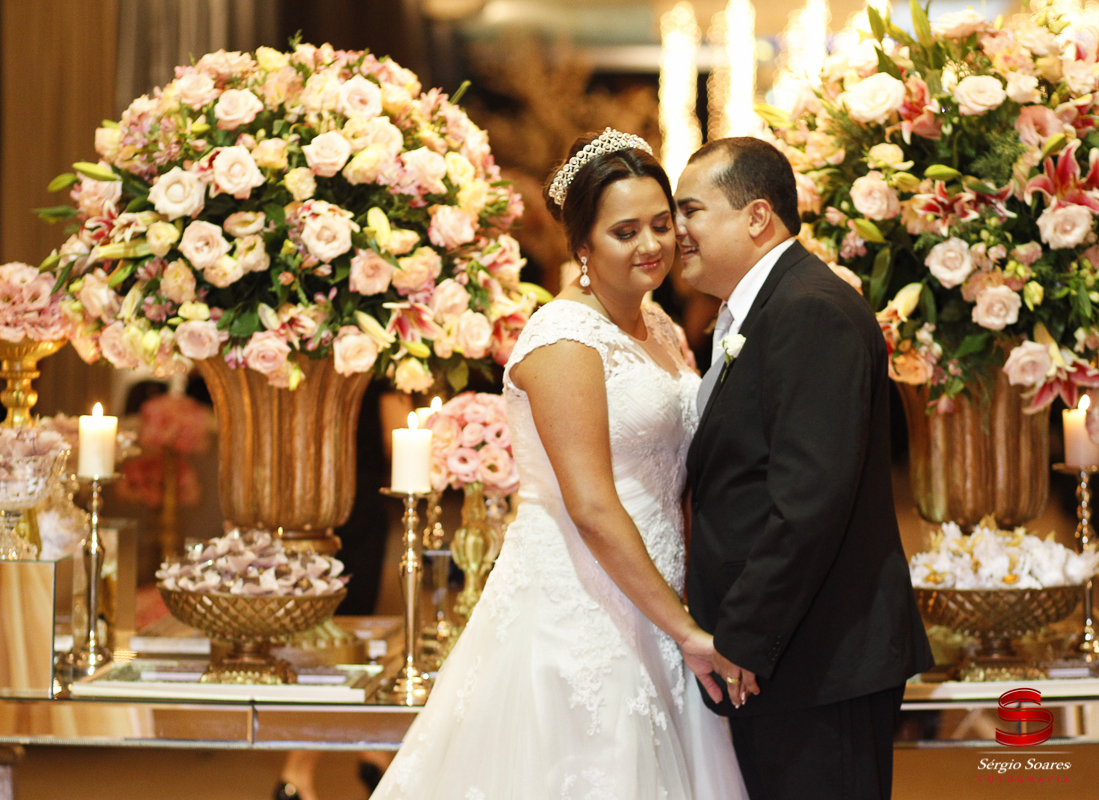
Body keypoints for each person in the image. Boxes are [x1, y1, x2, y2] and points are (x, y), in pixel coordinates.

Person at [370, 129, 747, 799]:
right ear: (582, 247)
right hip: (581, 604)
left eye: (661, 224)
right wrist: (686, 628)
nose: (652, 244)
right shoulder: (564, 339)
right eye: (624, 232)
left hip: (658, 595)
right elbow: (591, 505)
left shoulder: (659, 327)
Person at [676, 137, 934, 800]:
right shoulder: (762, 309)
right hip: (792, 660)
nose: (676, 230)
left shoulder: (808, 309)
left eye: (691, 210)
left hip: (819, 659)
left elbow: (809, 500)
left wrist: (743, 635)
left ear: (757, 217)